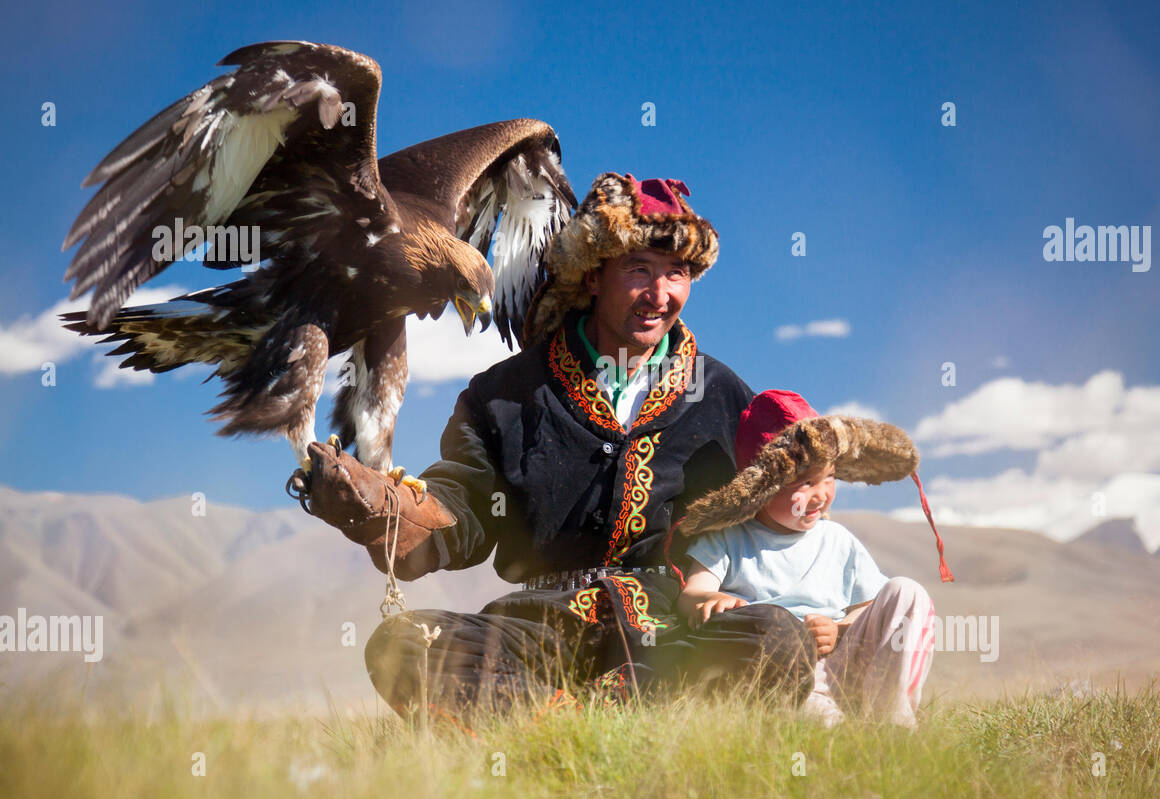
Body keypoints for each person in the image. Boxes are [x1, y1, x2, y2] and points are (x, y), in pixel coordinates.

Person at [295, 174, 817, 718]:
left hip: (674, 628)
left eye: (678, 274)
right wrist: (398, 513)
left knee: (778, 637)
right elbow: (466, 504)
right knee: (404, 644)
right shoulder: (504, 394)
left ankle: (565, 722)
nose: (660, 296)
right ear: (593, 276)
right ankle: (590, 725)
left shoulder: (723, 395)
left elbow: (777, 508)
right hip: (535, 627)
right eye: (639, 269)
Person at [671, 390, 953, 728]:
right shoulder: (728, 538)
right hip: (788, 678)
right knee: (819, 725)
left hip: (846, 665)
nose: (821, 494)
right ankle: (834, 724)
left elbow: (866, 608)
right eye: (805, 483)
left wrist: (838, 629)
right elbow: (691, 594)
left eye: (830, 477)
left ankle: (893, 717)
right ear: (763, 487)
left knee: (907, 591)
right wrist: (711, 599)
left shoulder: (838, 540)